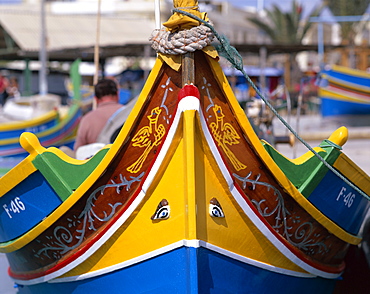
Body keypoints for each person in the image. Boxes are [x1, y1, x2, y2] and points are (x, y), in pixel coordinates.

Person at [74, 78, 123, 151]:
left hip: (98, 160)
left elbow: (78, 150)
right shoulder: (130, 113)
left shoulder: (87, 119)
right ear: (117, 94)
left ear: (95, 99)